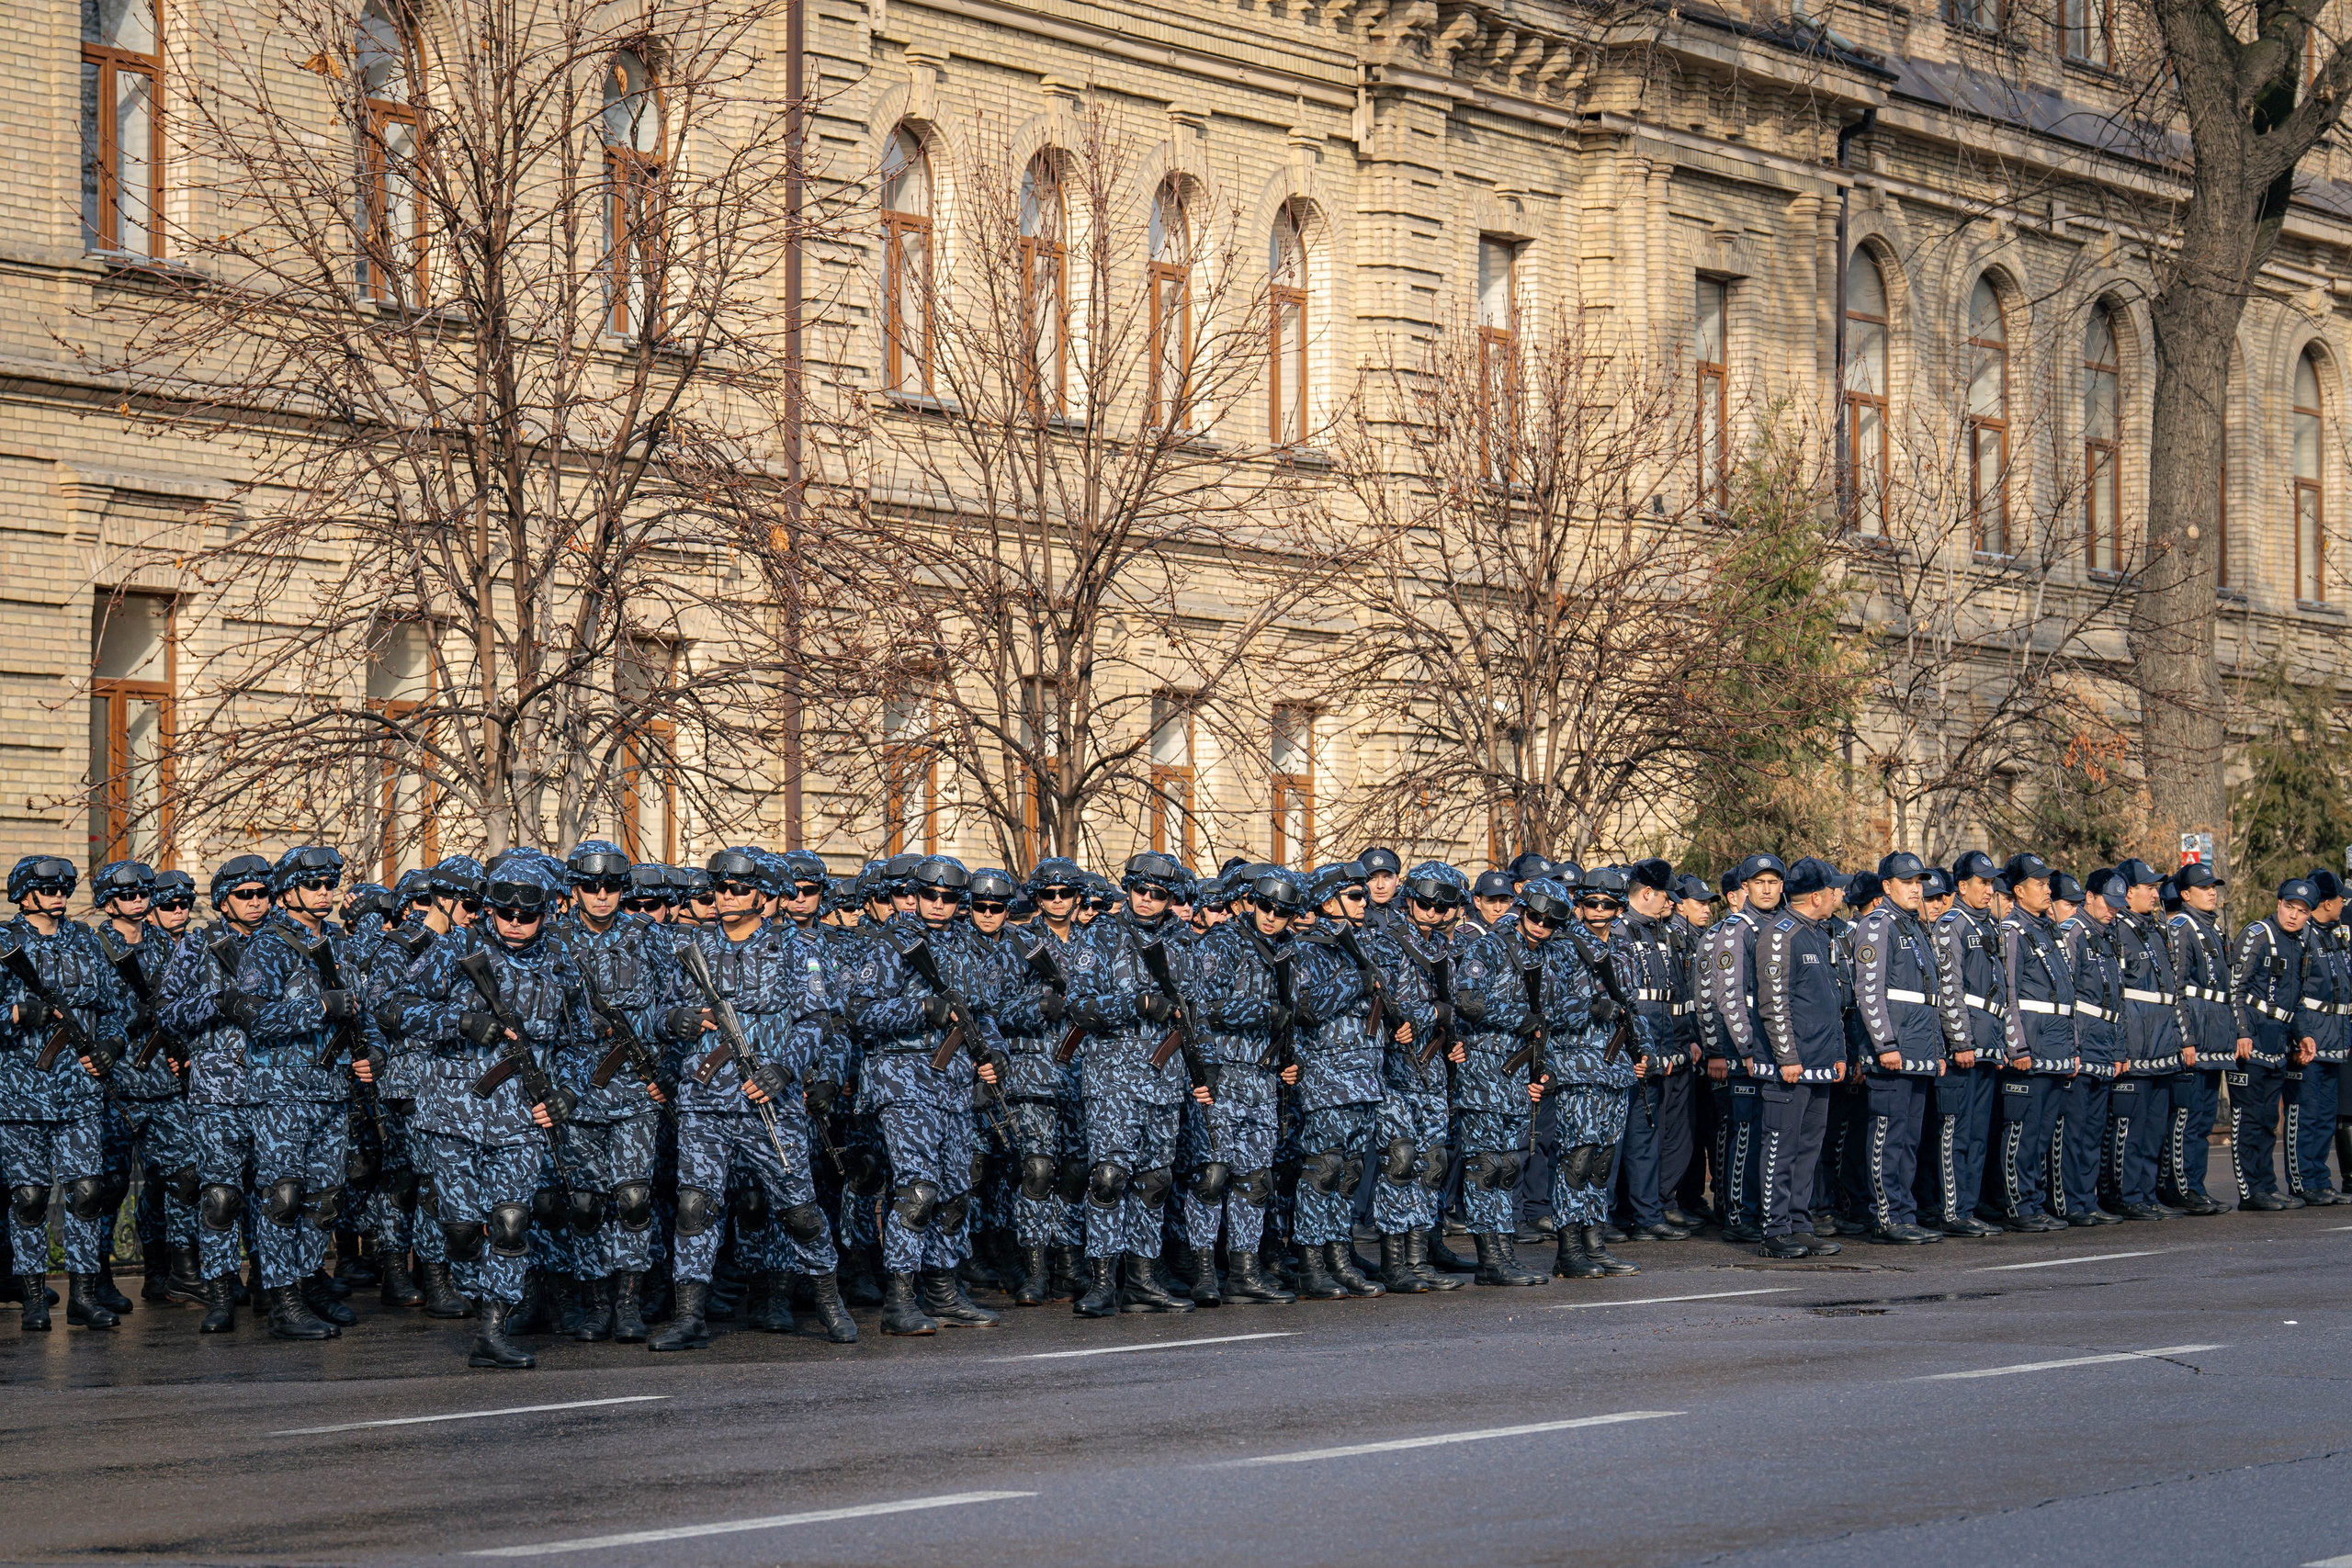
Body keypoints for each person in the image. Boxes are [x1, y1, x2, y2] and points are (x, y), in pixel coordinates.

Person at [662, 847, 855, 1349]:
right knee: (695, 1206)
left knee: (798, 1210)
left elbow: (817, 1021)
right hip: (705, 1100)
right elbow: (662, 1013)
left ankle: (829, 1298)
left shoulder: (794, 949)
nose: (727, 896)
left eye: (739, 889)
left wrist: (785, 1067)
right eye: (720, 888)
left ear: (763, 895)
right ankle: (689, 1315)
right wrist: (677, 1020)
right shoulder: (692, 949)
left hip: (770, 1102)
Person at [846, 855, 1007, 1334]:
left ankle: (942, 1291)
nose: (938, 904)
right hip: (902, 1080)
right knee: (919, 1191)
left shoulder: (968, 946)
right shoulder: (892, 943)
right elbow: (860, 1012)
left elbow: (983, 1012)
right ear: (914, 896)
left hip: (953, 1085)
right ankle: (900, 1300)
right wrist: (921, 1008)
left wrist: (994, 1054)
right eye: (930, 895)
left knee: (956, 1195)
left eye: (949, 898)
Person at [231, 847, 380, 1339]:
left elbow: (363, 1011)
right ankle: (281, 1297)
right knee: (284, 1195)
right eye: (313, 884)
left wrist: (374, 1054)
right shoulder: (268, 946)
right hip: (281, 1092)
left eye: (329, 883)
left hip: (331, 1091)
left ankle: (310, 1278)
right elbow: (254, 1017)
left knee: (323, 1197)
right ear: (288, 891)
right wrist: (319, 1007)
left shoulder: (338, 942)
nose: (324, 892)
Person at [1058, 852, 1208, 1315]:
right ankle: (1103, 1281)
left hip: (1165, 1079)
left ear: (1170, 899)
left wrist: (1204, 1071)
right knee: (1108, 1178)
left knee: (1154, 1181)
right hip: (1113, 1077)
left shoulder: (1183, 941)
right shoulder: (1101, 934)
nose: (1146, 899)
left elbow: (1198, 1013)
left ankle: (1143, 1280)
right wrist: (1138, 1004)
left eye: (1157, 894)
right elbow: (1079, 1006)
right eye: (1140, 890)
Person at [552, 841, 681, 1344]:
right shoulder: (555, 941)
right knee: (585, 1204)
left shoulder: (648, 938)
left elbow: (676, 1006)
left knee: (633, 1199)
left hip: (635, 1091)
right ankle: (596, 1303)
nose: (601, 895)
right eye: (591, 886)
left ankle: (628, 1302)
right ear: (575, 890)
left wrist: (668, 1069)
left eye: (610, 887)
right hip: (577, 1092)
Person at [1, 855, 135, 1330]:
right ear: (24, 894)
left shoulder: (85, 940)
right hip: (21, 1095)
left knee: (87, 1192)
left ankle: (83, 1295)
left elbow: (115, 1009)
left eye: (64, 889)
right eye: (49, 889)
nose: (59, 896)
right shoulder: (5, 943)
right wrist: (17, 1014)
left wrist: (112, 1046)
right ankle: (34, 1299)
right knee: (30, 1198)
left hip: (80, 1092)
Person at [1175, 866, 1306, 1307]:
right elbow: (1205, 1007)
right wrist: (1263, 1012)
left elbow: (1294, 1017)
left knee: (1254, 1180)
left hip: (1263, 1079)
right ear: (1251, 903)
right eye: (1264, 906)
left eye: (1280, 912)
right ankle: (1203, 1271)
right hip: (1221, 1075)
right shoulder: (1224, 942)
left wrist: (1291, 1060)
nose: (1270, 916)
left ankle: (1244, 1272)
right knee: (1211, 1176)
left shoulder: (1289, 951)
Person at [1451, 877, 1586, 1285]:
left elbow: (1552, 1015)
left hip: (1520, 1072)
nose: (1541, 925)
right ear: (1522, 910)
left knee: (1509, 1166)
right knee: (1486, 1166)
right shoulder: (1490, 947)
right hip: (1485, 1070)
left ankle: (1503, 1253)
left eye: (1550, 922)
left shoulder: (1547, 956)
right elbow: (1468, 1001)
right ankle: (1489, 1259)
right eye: (1535, 916)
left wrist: (1546, 1065)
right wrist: (1518, 1018)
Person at [90, 858, 200, 1312]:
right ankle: (97, 1279)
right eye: (128, 895)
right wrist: (126, 1022)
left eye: (143, 894)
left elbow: (185, 1002)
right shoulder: (93, 946)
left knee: (184, 1177)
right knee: (109, 1186)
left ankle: (178, 1273)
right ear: (108, 903)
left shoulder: (166, 945)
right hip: (112, 1086)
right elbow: (87, 1008)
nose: (139, 901)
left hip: (163, 1084)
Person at [1849, 852, 1956, 1244]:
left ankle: (1904, 1213)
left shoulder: (1914, 926)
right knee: (1888, 1137)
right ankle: (1886, 1218)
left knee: (1909, 1141)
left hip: (1919, 1051)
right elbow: (1869, 992)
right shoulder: (1878, 925)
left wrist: (1937, 1050)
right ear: (1887, 886)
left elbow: (1930, 997)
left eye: (1918, 882)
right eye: (1907, 882)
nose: (1916, 889)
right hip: (1893, 1054)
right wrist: (1885, 1044)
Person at [1751, 858, 1849, 1258]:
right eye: (1833, 890)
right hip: (1789, 1067)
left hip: (1820, 1063)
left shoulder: (1818, 934)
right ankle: (1775, 1231)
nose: (1838, 896)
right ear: (1816, 896)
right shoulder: (1780, 935)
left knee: (1808, 1150)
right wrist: (1787, 1056)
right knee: (1780, 1148)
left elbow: (1832, 1002)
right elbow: (1774, 1003)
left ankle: (1799, 1224)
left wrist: (1839, 1053)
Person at [1700, 854, 1785, 1244]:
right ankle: (1738, 1213)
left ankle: (1768, 1211)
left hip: (1779, 1050)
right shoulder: (1737, 929)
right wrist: (1746, 1048)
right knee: (1746, 1134)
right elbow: (1729, 997)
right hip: (1746, 1052)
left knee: (1772, 1136)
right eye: (1759, 882)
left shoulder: (1782, 925)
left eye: (1773, 882)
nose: (1767, 889)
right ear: (1745, 888)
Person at [1993, 853, 2078, 1232]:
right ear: (2019, 890)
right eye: (2040, 884)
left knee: (2043, 1133)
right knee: (2022, 1132)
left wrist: (2073, 1048)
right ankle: (2018, 1206)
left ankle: (2035, 1201)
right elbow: (2008, 992)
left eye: (2048, 883)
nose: (2048, 889)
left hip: (2057, 1047)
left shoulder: (2049, 929)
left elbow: (2068, 995)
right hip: (2032, 1046)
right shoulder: (2012, 930)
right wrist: (2018, 1045)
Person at [1612, 859, 1696, 1243]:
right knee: (1615, 1142)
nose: (1671, 903)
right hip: (1627, 1056)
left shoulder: (1659, 932)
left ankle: (1647, 1216)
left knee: (1646, 1138)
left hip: (1657, 1052)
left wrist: (1676, 1045)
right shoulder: (1620, 932)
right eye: (1666, 896)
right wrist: (1634, 1052)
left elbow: (1672, 1000)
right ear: (1647, 893)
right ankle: (1609, 1217)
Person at [2231, 878, 2324, 1209]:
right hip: (2252, 1040)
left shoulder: (2301, 942)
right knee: (2249, 1119)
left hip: (2278, 1043)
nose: (2294, 915)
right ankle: (2250, 1192)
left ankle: (2267, 1185)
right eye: (2290, 907)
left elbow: (2297, 999)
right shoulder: (2258, 934)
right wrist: (2242, 1031)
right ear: (2279, 904)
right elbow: (2235, 988)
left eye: (2302, 911)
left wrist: (2304, 1033)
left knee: (2269, 1120)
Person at [2109, 860, 2190, 1218]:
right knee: (2132, 1126)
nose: (2156, 895)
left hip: (2163, 1043)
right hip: (2137, 1044)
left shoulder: (2156, 930)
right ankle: (2127, 1196)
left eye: (2157, 889)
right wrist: (2123, 1045)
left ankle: (2146, 1192)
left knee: (2156, 1126)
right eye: (2149, 888)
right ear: (2128, 892)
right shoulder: (2117, 930)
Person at [2165, 859, 2243, 1213]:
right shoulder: (2182, 926)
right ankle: (2182, 1189)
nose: (2212, 893)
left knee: (2205, 1121)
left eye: (2214, 887)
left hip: (2216, 1036)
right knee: (2188, 1120)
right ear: (2185, 894)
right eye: (2204, 888)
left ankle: (2196, 1186)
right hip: (2196, 1035)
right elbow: (2177, 987)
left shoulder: (2213, 927)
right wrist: (2187, 1037)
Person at [2055, 871, 2125, 1226]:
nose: (2113, 910)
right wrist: (2073, 1046)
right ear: (2090, 897)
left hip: (2104, 1043)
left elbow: (2117, 998)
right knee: (2074, 1129)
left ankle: (2087, 1198)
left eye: (2118, 906)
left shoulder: (2107, 936)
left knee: (2094, 1129)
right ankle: (2070, 1201)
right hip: (2082, 1042)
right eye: (2108, 903)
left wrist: (2119, 1050)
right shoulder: (2072, 933)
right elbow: (2066, 994)